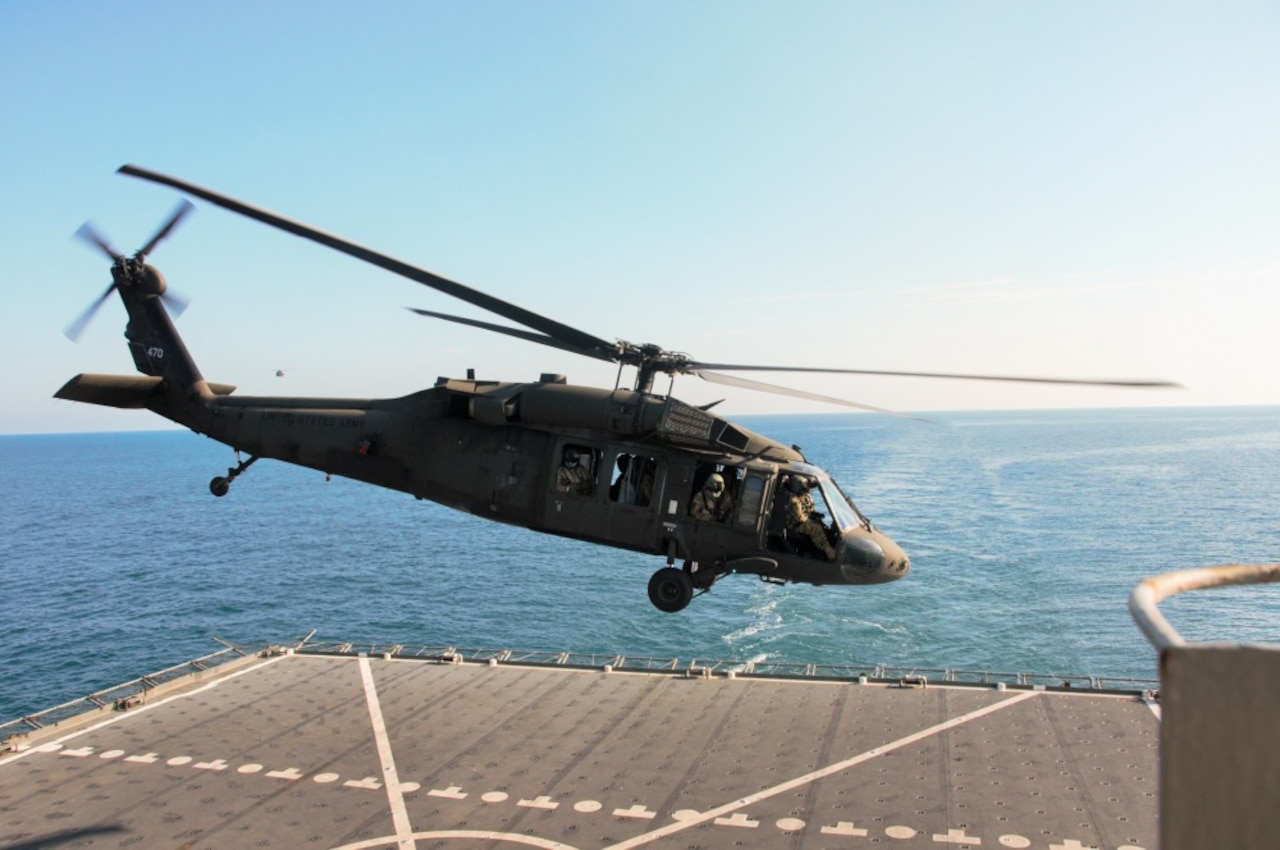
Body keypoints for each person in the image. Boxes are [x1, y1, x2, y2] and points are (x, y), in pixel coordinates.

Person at [785, 476, 835, 559]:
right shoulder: (793, 500)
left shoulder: (805, 497)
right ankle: (828, 551)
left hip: (801, 522)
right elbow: (800, 519)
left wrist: (814, 515)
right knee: (816, 528)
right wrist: (811, 519)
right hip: (794, 525)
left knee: (821, 525)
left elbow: (809, 510)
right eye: (807, 487)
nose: (810, 490)